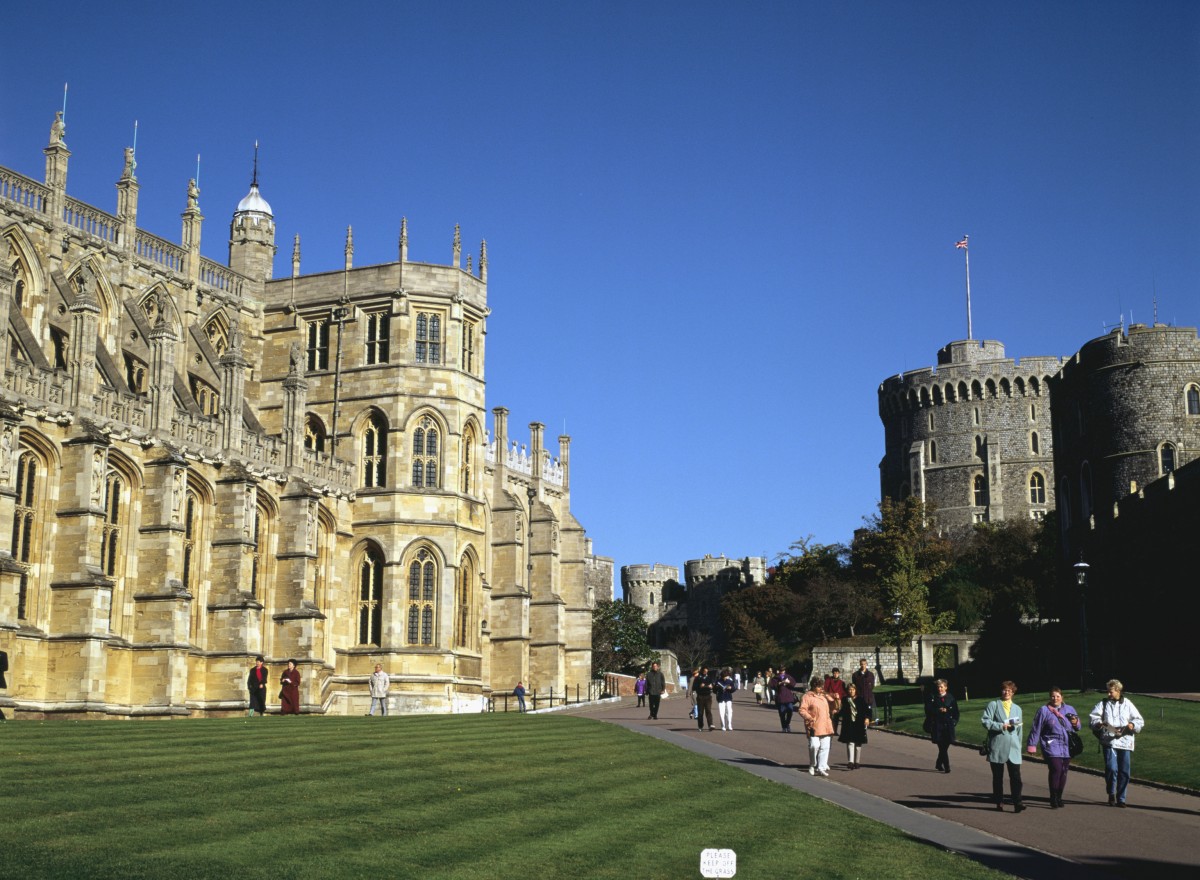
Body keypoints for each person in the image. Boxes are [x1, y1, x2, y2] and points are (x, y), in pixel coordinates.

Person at [1089, 679, 1144, 807]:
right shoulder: (1103, 703)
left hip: (1125, 741)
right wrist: (1099, 723)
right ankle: (1111, 793)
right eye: (1108, 692)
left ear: (1118, 691)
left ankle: (1121, 798)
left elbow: (1139, 720)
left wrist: (1132, 725)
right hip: (1109, 741)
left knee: (1124, 771)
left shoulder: (1128, 704)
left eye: (1111, 692)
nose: (1108, 694)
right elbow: (1093, 717)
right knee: (1111, 768)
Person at [1025, 687, 1081, 808]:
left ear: (1062, 697)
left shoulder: (1069, 709)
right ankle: (1053, 797)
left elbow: (1078, 727)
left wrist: (1075, 722)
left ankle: (1059, 797)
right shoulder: (1043, 710)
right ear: (1049, 697)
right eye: (1053, 696)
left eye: (1057, 696)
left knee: (1064, 771)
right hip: (1051, 744)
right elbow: (1036, 728)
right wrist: (1032, 745)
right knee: (1056, 769)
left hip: (1067, 745)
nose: (1055, 698)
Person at [982, 680, 1024, 812]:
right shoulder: (993, 704)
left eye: (1010, 691)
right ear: (1001, 691)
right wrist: (1000, 726)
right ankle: (999, 801)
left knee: (1016, 777)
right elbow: (985, 721)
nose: (1007, 693)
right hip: (998, 746)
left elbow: (1019, 730)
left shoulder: (1017, 709)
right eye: (1005, 690)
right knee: (998, 777)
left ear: (1013, 692)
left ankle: (1017, 802)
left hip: (1013, 747)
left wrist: (1019, 746)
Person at [799, 676, 836, 776]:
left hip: (825, 725)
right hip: (814, 725)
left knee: (825, 747)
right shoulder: (807, 697)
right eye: (819, 686)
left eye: (822, 686)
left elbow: (834, 705)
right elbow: (802, 710)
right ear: (814, 686)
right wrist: (810, 718)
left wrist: (832, 698)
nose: (821, 688)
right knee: (814, 746)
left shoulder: (824, 696)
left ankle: (821, 767)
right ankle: (812, 764)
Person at [925, 678, 959, 773]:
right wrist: (938, 710)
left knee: (945, 746)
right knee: (942, 747)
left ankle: (939, 763)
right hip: (937, 726)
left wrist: (954, 721)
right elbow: (928, 710)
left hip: (948, 726)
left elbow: (956, 712)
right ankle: (947, 767)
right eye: (938, 687)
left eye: (941, 687)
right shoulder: (933, 697)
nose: (940, 689)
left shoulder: (951, 698)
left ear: (946, 687)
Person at [838, 682, 872, 769]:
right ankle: (850, 762)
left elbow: (867, 710)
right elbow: (842, 710)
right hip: (848, 723)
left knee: (858, 744)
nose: (851, 691)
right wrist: (836, 713)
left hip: (859, 723)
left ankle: (857, 762)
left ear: (855, 690)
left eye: (853, 689)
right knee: (850, 742)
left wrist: (867, 718)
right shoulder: (845, 699)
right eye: (849, 689)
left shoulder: (860, 699)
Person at [769, 666, 798, 733]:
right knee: (782, 713)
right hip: (780, 698)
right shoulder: (775, 678)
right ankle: (784, 727)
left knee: (790, 711)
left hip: (788, 697)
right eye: (781, 671)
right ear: (779, 671)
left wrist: (788, 683)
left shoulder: (788, 676)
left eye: (783, 670)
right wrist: (779, 684)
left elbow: (793, 684)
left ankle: (787, 724)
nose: (782, 672)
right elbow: (772, 685)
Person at [692, 666, 715, 731]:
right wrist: (699, 686)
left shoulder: (709, 677)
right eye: (704, 671)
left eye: (706, 671)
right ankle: (700, 726)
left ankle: (710, 725)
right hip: (700, 696)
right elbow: (694, 687)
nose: (705, 672)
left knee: (708, 710)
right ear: (702, 671)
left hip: (708, 696)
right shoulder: (698, 678)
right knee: (700, 712)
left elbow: (712, 685)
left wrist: (711, 686)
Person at [824, 668, 846, 734]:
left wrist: (841, 698)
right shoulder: (828, 681)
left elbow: (843, 692)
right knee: (830, 716)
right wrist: (832, 695)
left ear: (839, 673)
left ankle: (835, 730)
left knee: (836, 716)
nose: (835, 674)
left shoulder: (841, 682)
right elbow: (825, 691)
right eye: (834, 673)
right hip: (830, 701)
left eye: (837, 673)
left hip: (838, 701)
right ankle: (829, 729)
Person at [715, 667, 736, 731]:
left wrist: (730, 688)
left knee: (729, 711)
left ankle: (729, 725)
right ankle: (723, 726)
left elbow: (733, 689)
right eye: (724, 676)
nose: (726, 678)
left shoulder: (730, 681)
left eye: (726, 676)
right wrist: (717, 687)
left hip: (728, 698)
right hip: (721, 698)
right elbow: (714, 691)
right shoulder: (718, 682)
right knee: (722, 712)